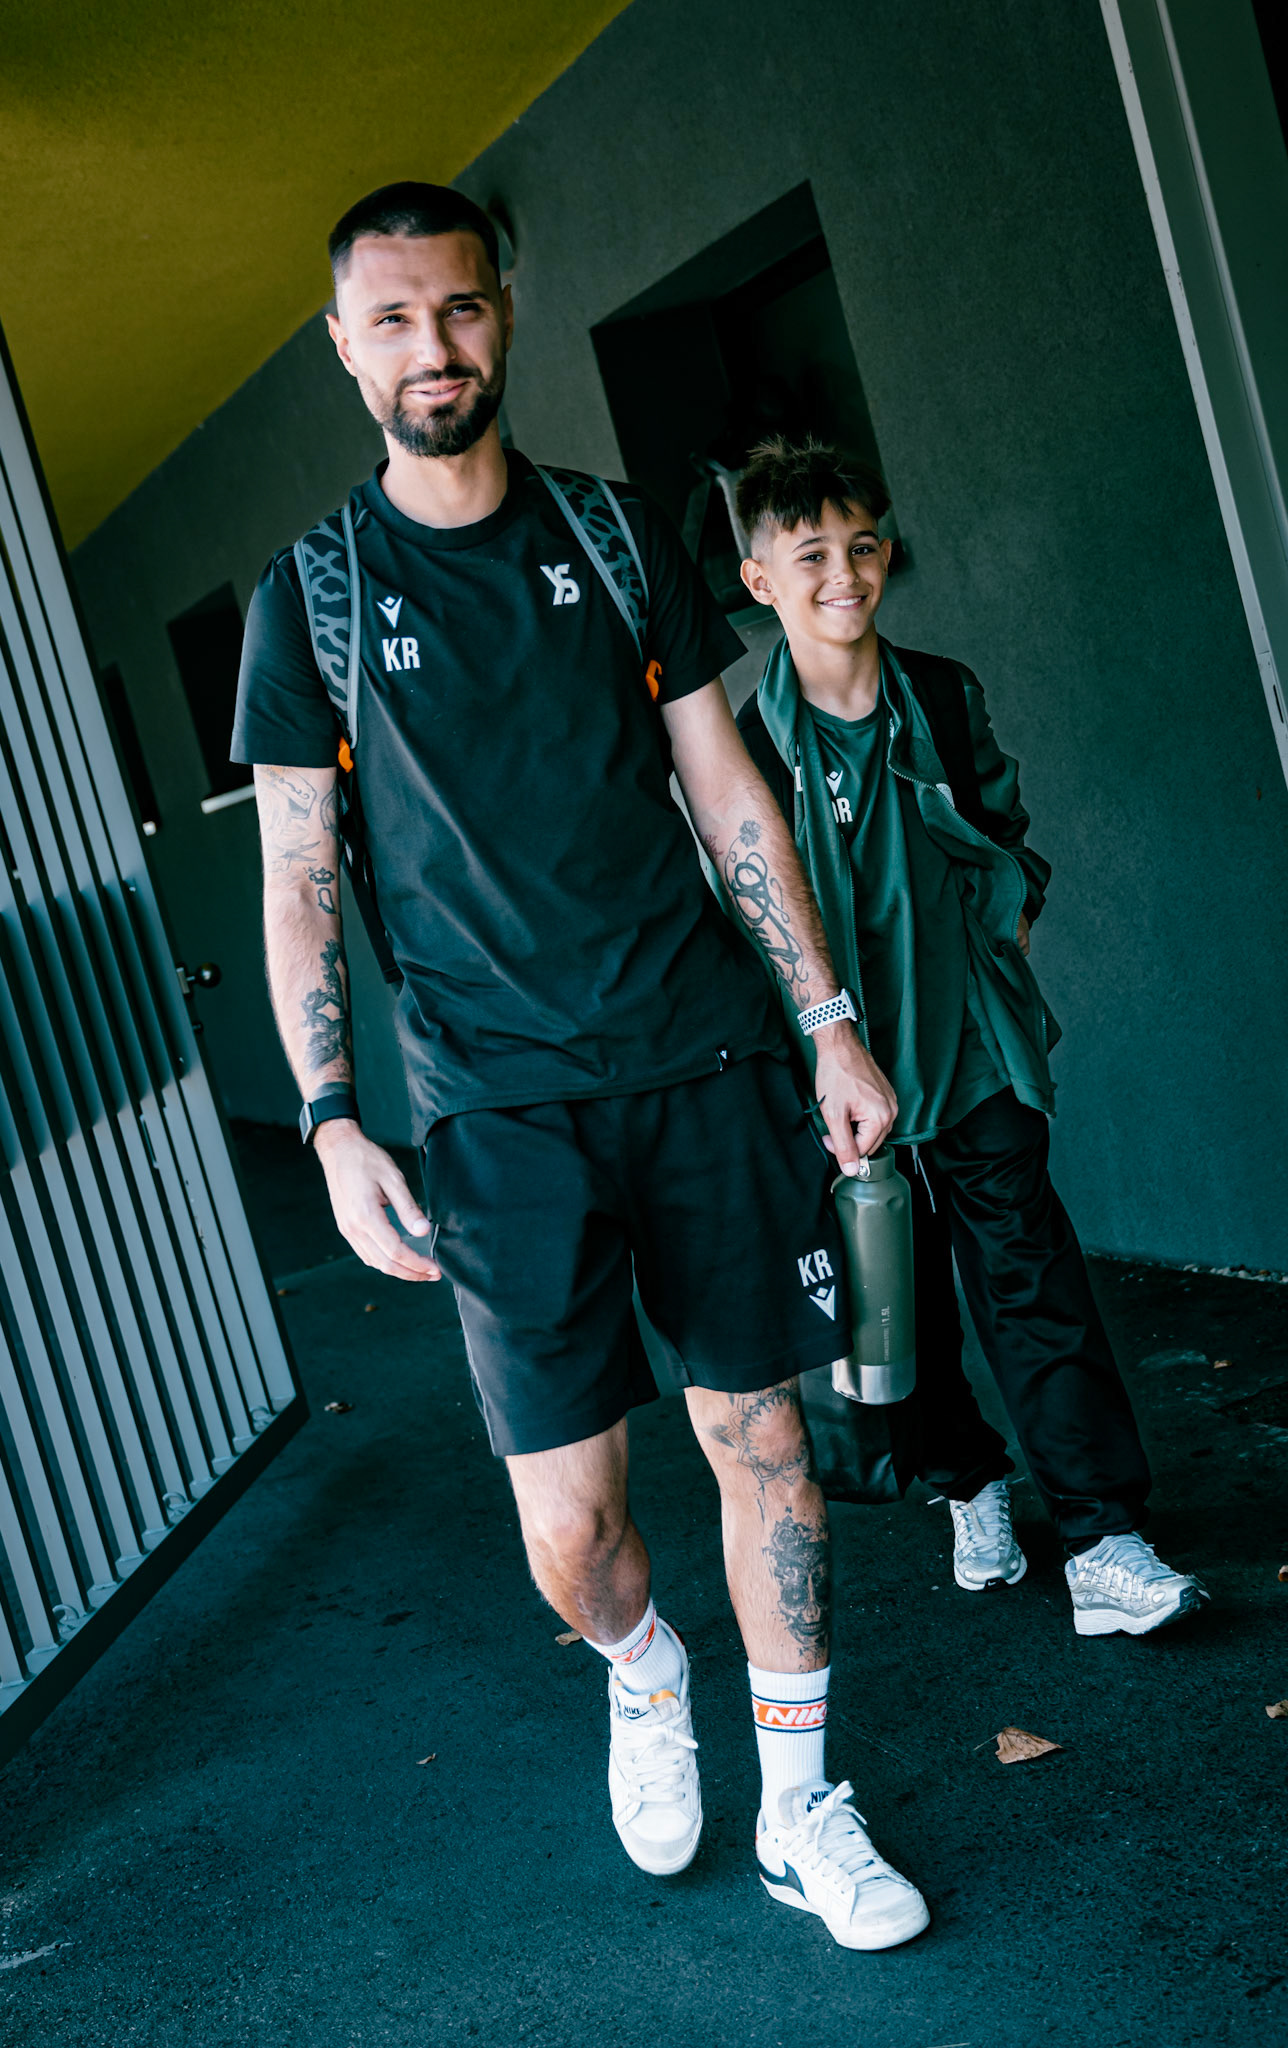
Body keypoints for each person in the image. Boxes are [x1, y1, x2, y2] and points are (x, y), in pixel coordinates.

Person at [231, 183, 930, 1949]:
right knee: (573, 1529)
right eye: (395, 319)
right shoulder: (311, 600)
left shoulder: (615, 537)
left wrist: (828, 1022)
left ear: (503, 314)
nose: (435, 346)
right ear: (344, 345)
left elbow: (727, 790)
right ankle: (641, 1664)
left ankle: (801, 1807)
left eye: (460, 308)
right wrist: (330, 1123)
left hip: (699, 1052)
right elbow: (299, 878)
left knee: (766, 1441)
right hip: (495, 1109)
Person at [731, 436, 1208, 1638]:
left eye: (862, 546)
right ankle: (968, 1480)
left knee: (1033, 1279)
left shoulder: (940, 694)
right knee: (901, 1303)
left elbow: (1002, 826)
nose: (845, 573)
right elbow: (744, 913)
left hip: (972, 1047)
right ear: (759, 579)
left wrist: (1010, 925)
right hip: (843, 1074)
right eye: (811, 554)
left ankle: (1102, 1539)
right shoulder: (746, 745)